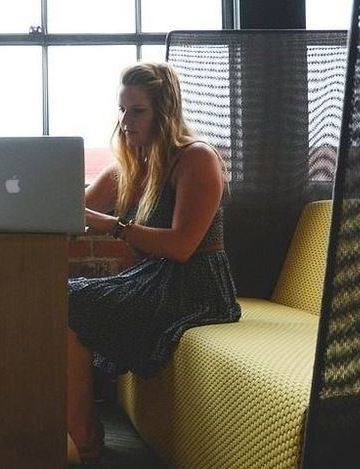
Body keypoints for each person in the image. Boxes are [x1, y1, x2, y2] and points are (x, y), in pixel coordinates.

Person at [66, 62, 241, 463]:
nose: (126, 121)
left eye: (137, 111)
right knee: (62, 296)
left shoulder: (196, 158)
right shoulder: (130, 165)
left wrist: (115, 226)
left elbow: (182, 246)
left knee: (70, 302)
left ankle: (83, 433)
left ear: (165, 113)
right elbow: (72, 211)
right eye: (122, 110)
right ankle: (80, 424)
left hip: (197, 284)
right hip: (153, 278)